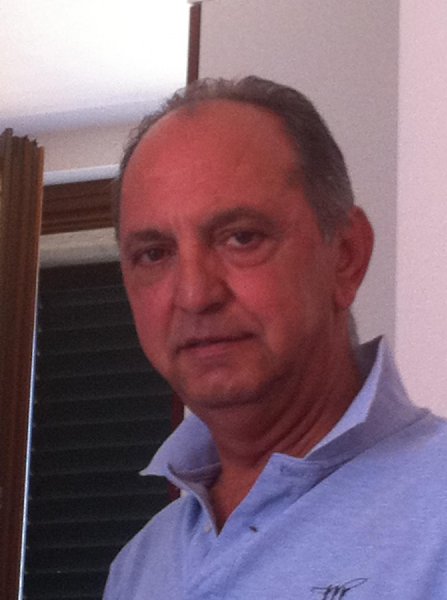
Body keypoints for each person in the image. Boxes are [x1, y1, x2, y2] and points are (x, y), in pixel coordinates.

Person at [104, 77, 447, 599]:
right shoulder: (139, 568)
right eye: (154, 254)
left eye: (241, 238)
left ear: (346, 256)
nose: (195, 295)